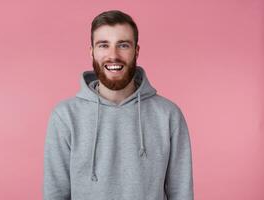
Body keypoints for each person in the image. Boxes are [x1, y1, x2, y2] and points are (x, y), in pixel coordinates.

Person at [43, 10, 194, 200]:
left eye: (123, 45)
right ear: (92, 51)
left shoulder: (168, 115)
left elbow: (181, 193)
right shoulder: (65, 116)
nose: (113, 55)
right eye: (103, 45)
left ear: (136, 51)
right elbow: (55, 193)